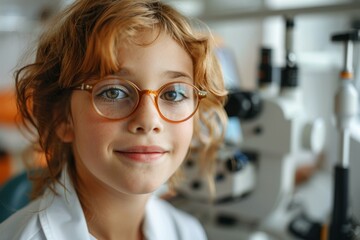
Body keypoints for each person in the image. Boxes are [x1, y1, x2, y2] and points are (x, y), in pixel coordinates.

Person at [0, 0, 227, 239]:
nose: (149, 120)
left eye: (173, 94)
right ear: (62, 118)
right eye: (113, 92)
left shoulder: (186, 232)